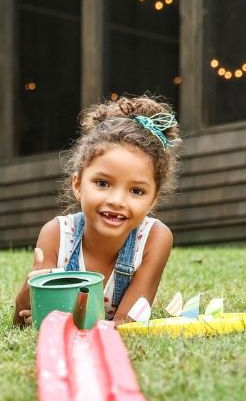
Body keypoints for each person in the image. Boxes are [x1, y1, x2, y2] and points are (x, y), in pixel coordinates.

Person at [13, 95, 181, 327]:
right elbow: (22, 322)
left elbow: (128, 324)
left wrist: (74, 323)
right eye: (102, 184)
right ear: (78, 185)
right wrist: (31, 287)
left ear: (153, 199)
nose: (117, 200)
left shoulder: (154, 239)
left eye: (136, 191)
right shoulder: (57, 234)